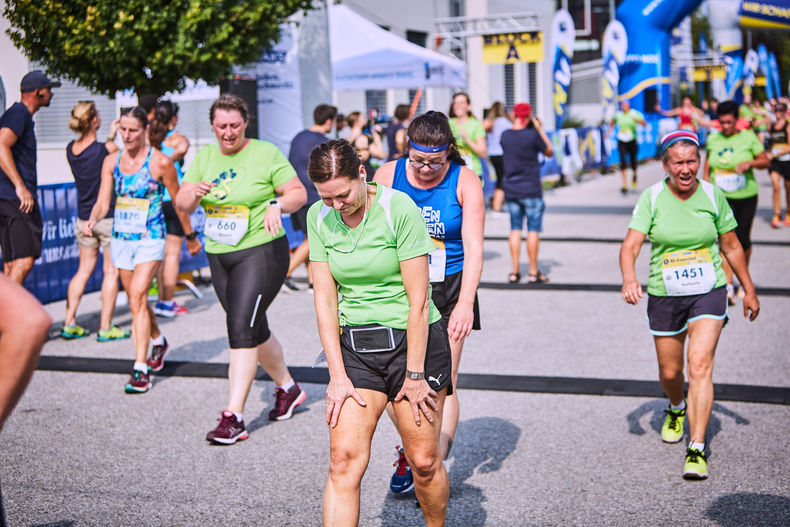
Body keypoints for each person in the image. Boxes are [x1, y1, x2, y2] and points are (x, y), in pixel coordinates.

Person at [308, 139, 451, 526]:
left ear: (361, 173)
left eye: (342, 195)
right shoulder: (318, 217)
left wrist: (417, 375)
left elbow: (419, 301)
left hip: (413, 344)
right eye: (326, 198)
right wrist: (337, 376)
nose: (336, 206)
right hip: (356, 349)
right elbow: (324, 301)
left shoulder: (397, 209)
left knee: (422, 462)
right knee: (342, 462)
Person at [620, 130, 759, 480]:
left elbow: (731, 246)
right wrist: (629, 278)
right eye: (678, 162)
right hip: (665, 293)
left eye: (692, 161)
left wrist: (749, 288)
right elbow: (631, 246)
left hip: (708, 289)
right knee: (671, 372)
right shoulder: (652, 198)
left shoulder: (713, 195)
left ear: (700, 162)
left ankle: (696, 447)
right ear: (665, 165)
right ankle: (676, 406)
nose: (686, 169)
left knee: (699, 366)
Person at [176, 94, 308, 444]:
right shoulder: (204, 157)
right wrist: (194, 193)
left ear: (245, 123)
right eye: (222, 126)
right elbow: (182, 201)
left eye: (235, 125)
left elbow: (298, 193)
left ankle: (233, 416)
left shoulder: (265, 153)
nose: (229, 132)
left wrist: (278, 204)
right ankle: (289, 388)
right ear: (213, 126)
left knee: (239, 327)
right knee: (253, 327)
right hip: (220, 253)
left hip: (261, 250)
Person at [374, 111, 484, 495]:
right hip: (400, 290)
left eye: (435, 162)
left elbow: (474, 247)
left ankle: (428, 460)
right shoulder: (388, 175)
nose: (424, 169)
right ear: (407, 149)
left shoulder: (465, 181)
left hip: (450, 288)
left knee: (441, 382)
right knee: (396, 380)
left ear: (448, 153)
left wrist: (466, 304)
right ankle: (414, 447)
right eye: (417, 160)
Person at [84, 107, 193, 393]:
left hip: (151, 238)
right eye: (123, 129)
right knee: (137, 301)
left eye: (133, 130)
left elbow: (178, 201)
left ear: (145, 129)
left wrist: (190, 235)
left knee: (138, 296)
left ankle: (140, 368)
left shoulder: (160, 162)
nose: (127, 135)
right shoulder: (111, 161)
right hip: (122, 239)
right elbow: (102, 201)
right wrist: (93, 219)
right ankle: (159, 341)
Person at [61, 101, 130, 342]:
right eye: (98, 114)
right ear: (93, 121)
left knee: (83, 271)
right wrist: (112, 137)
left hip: (83, 218)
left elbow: (98, 147)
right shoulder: (105, 150)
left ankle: (69, 321)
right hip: (108, 216)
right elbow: (114, 155)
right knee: (110, 272)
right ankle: (105, 326)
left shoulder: (71, 149)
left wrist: (108, 136)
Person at [703, 100, 770, 305]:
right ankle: (728, 286)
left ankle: (743, 279)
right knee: (724, 240)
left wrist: (750, 162)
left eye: (729, 122)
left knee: (743, 240)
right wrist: (704, 186)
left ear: (737, 120)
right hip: (721, 197)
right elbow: (708, 164)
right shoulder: (713, 139)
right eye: (722, 122)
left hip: (745, 196)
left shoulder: (748, 137)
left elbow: (766, 160)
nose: (725, 126)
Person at [0, 71, 60, 284]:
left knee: (12, 263)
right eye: (48, 89)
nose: (51, 94)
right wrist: (20, 186)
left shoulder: (19, 115)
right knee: (24, 261)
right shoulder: (19, 114)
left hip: (8, 199)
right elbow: (1, 145)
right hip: (16, 200)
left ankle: (6, 315)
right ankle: (10, 315)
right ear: (37, 92)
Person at [148, 100, 202, 316]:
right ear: (174, 118)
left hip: (153, 199)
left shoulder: (150, 139)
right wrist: (166, 161)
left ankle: (163, 299)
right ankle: (166, 301)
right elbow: (180, 151)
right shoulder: (178, 139)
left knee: (161, 253)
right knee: (171, 254)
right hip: (172, 197)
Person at [283, 103, 337, 293]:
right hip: (313, 195)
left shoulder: (299, 137)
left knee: (309, 236)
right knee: (314, 239)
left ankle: (313, 281)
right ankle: (285, 272)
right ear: (329, 121)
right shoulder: (324, 141)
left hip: (296, 192)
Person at [500, 102, 553, 284]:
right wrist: (539, 129)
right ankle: (532, 272)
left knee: (515, 229)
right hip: (531, 189)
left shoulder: (505, 136)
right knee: (532, 230)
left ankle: (514, 271)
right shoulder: (532, 136)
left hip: (511, 189)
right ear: (529, 116)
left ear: (514, 115)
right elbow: (549, 151)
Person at [448, 92, 487, 181]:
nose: (458, 106)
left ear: (468, 106)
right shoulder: (448, 123)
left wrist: (466, 139)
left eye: (462, 103)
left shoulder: (475, 124)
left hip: (472, 172)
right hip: (453, 172)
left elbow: (482, 152)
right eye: (455, 103)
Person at [611, 99, 646, 194]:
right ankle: (624, 184)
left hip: (632, 140)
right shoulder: (618, 115)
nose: (624, 107)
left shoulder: (634, 113)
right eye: (622, 105)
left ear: (628, 106)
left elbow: (644, 124)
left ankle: (634, 176)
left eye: (625, 105)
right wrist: (609, 132)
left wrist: (638, 121)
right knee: (622, 161)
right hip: (621, 140)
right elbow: (613, 122)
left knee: (633, 161)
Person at [483, 101, 512, 212]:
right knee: (502, 179)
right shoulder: (505, 122)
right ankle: (497, 206)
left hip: (492, 153)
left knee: (498, 178)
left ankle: (495, 202)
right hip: (502, 153)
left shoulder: (490, 122)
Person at [765, 102, 790, 228]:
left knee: (788, 187)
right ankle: (777, 214)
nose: (778, 113)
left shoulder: (788, 126)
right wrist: (768, 152)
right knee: (775, 185)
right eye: (776, 110)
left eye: (781, 110)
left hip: (786, 160)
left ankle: (789, 213)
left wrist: (777, 153)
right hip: (775, 161)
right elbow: (768, 143)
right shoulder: (772, 126)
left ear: (785, 112)